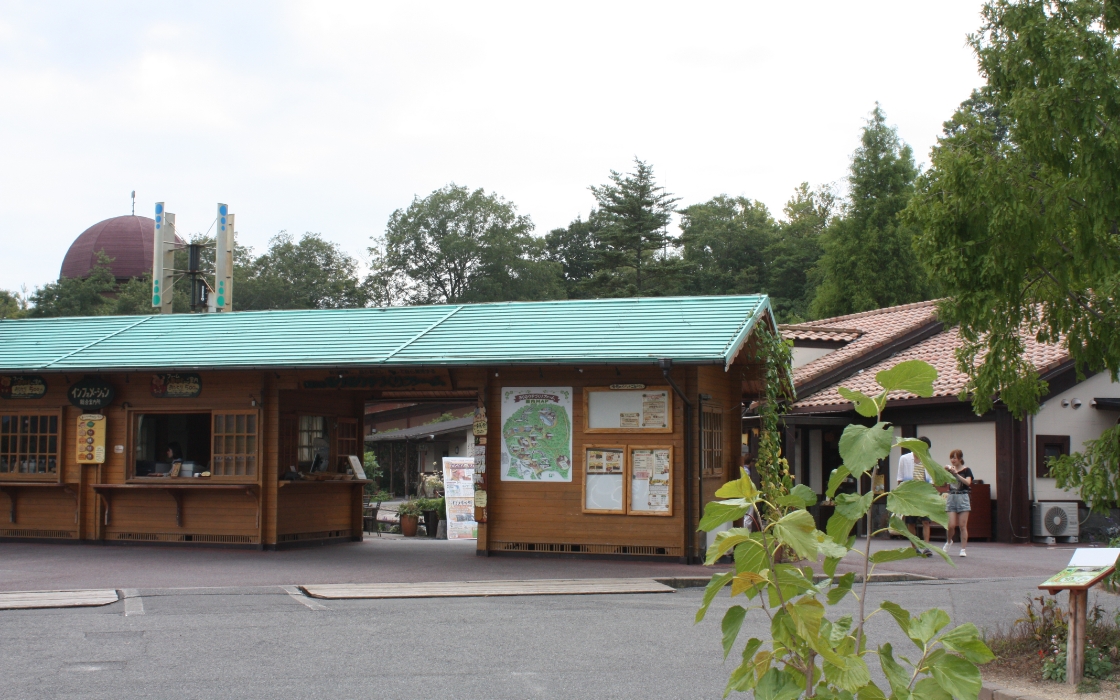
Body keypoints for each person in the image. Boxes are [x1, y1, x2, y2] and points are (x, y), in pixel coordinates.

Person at [897, 436, 934, 557]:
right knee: (911, 522)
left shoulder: (927, 460)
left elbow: (931, 479)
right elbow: (900, 479)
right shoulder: (904, 459)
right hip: (910, 495)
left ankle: (927, 547)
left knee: (926, 522)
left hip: (924, 495)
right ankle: (915, 547)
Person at [943, 449, 973, 558]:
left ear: (960, 459)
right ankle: (949, 541)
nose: (952, 460)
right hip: (952, 496)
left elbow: (968, 482)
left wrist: (957, 474)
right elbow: (942, 483)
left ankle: (963, 549)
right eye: (951, 458)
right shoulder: (950, 470)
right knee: (951, 525)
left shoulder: (967, 470)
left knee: (962, 525)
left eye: (955, 458)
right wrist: (945, 472)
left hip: (963, 496)